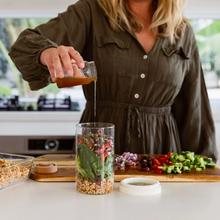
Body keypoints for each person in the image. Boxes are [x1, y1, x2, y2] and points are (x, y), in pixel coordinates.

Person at [9, 0, 218, 162]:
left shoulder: (182, 31)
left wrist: (204, 165)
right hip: (97, 149)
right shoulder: (90, 11)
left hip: (162, 152)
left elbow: (194, 106)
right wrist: (48, 53)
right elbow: (25, 45)